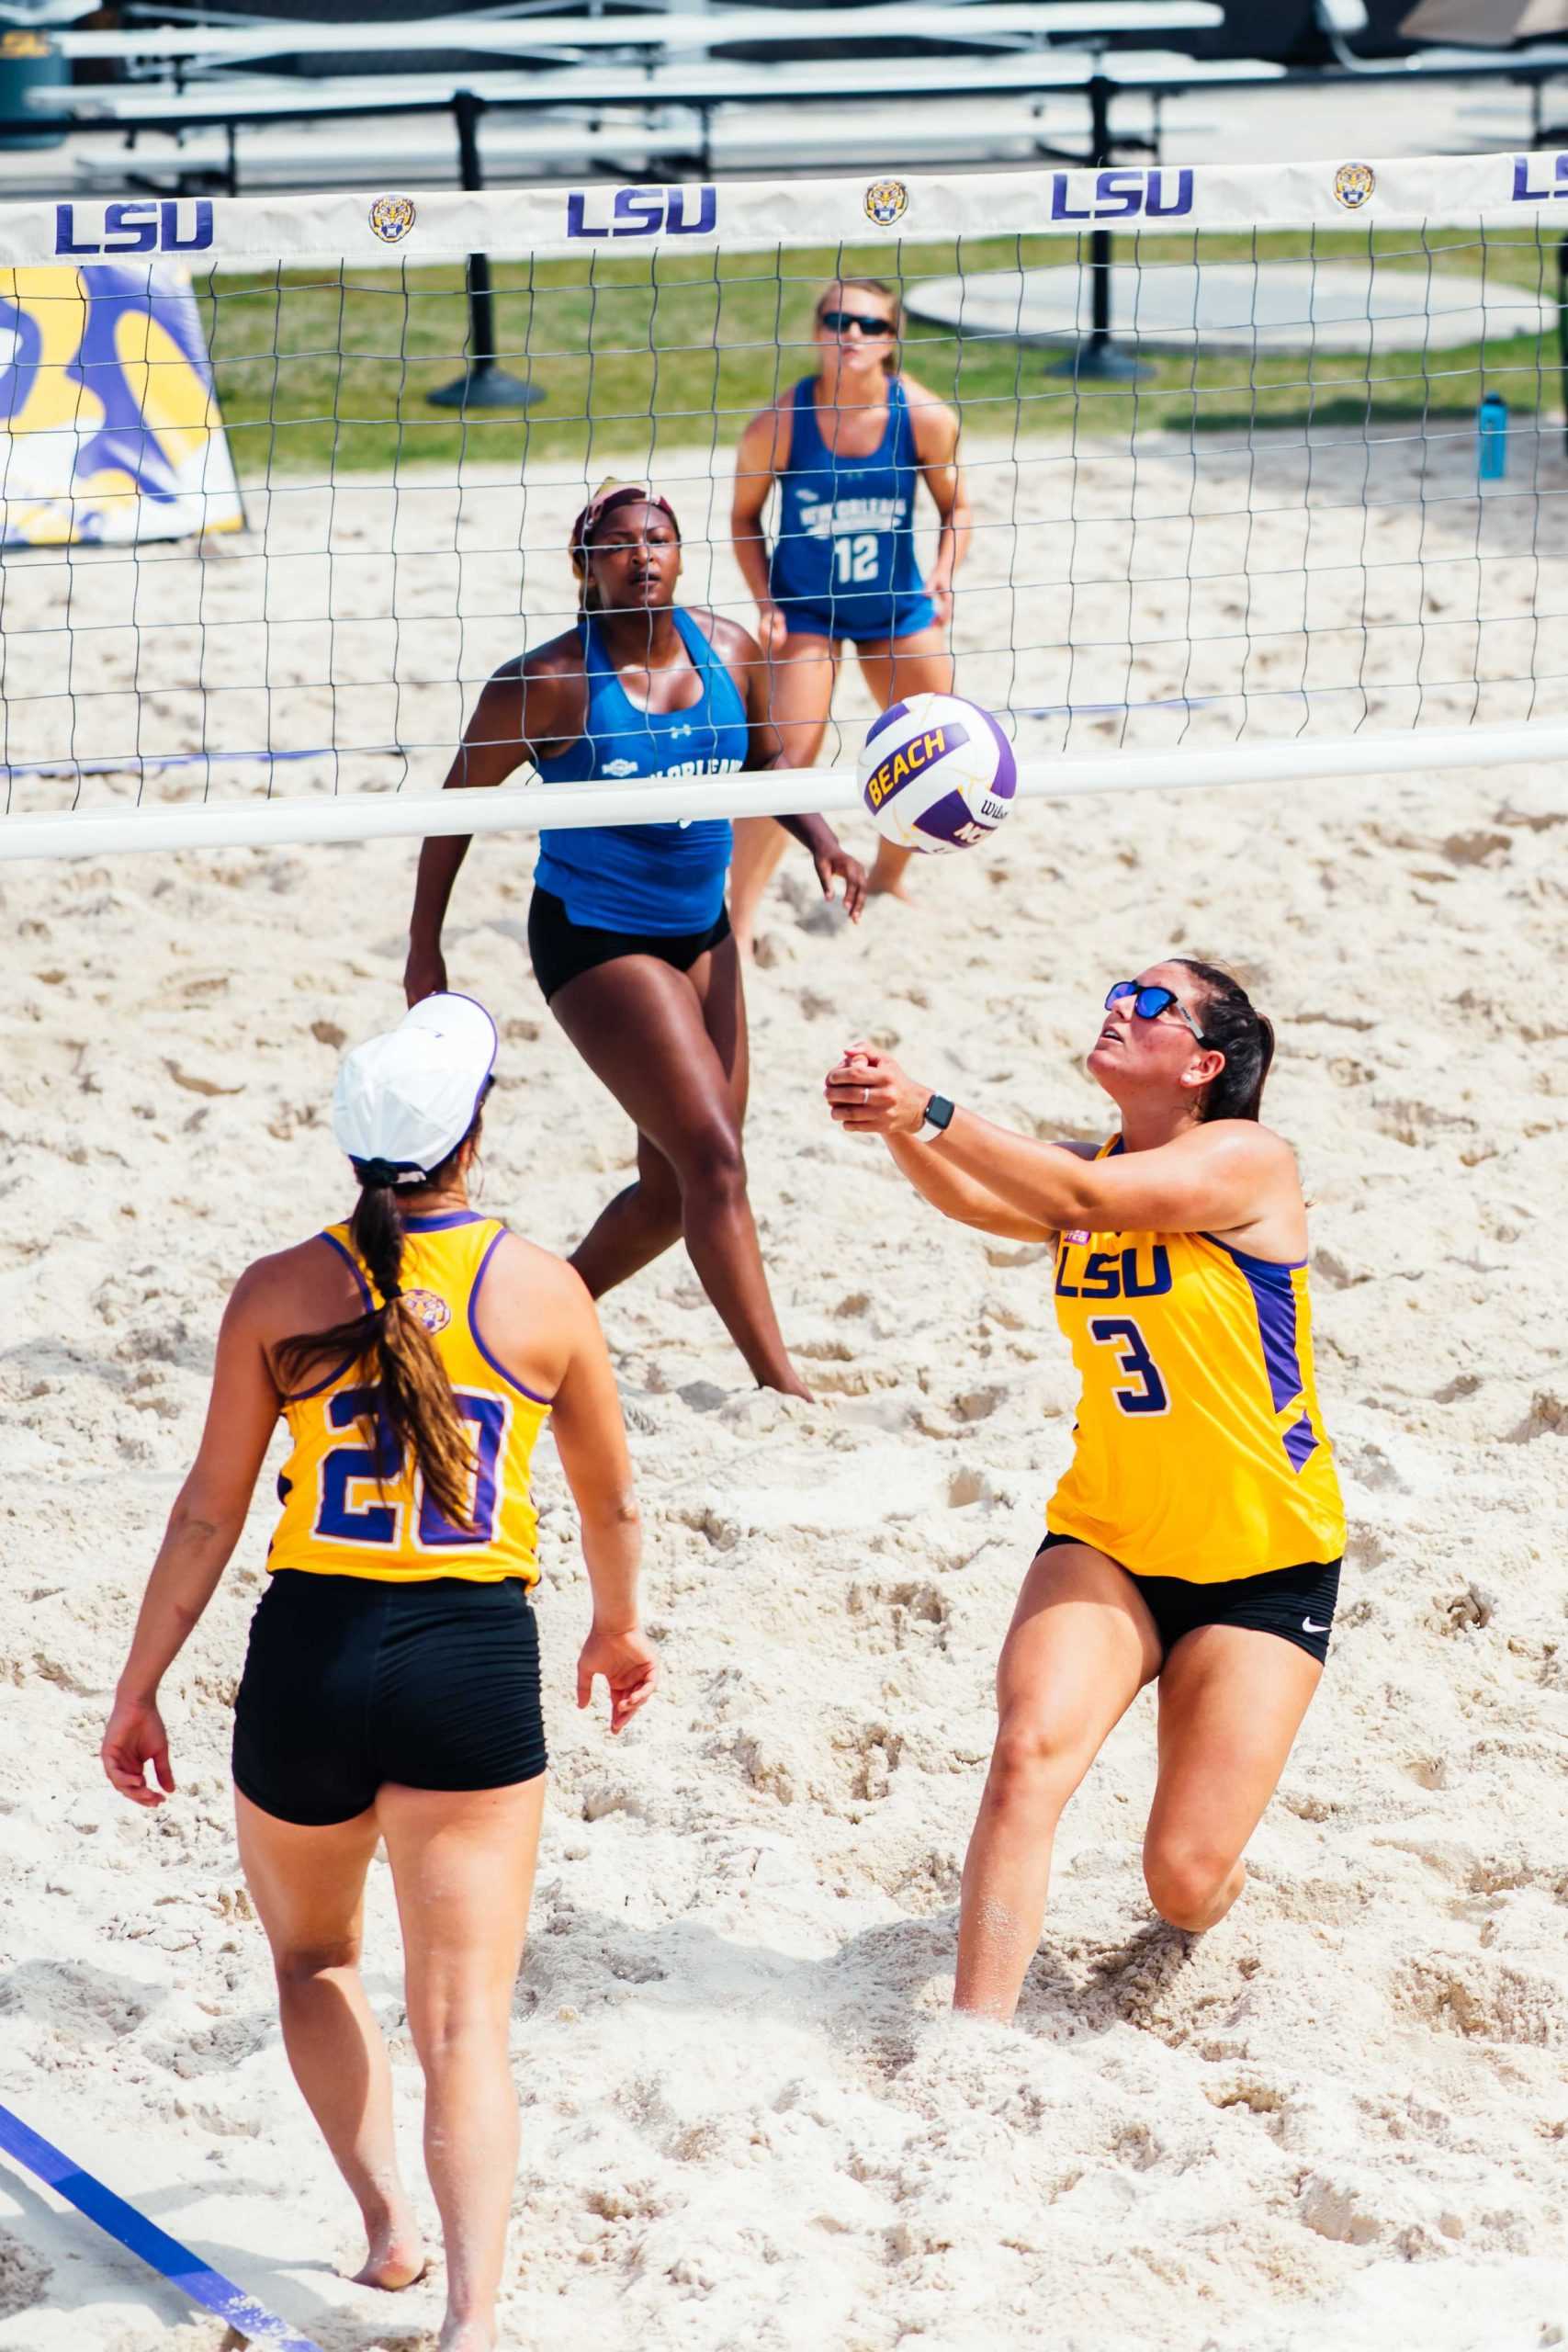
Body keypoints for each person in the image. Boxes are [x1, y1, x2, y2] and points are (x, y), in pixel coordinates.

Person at [101, 993, 656, 2352]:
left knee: (312, 1961)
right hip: (467, 1660)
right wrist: (616, 1627)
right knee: (463, 2023)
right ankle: (470, 2321)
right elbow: (608, 1501)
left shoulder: (278, 1290)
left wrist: (139, 1684)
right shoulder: (542, 1288)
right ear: (474, 1133)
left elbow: (207, 1515)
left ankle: (385, 2233)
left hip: (309, 1658)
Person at [825, 960, 1345, 2025]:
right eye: (1121, 987)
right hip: (1106, 1536)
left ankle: (1220, 1889)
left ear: (1203, 1065)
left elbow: (1077, 1199)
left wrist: (932, 1106)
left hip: (1263, 1560)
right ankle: (976, 2042)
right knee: (1025, 1757)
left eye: (1154, 1003)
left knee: (1183, 1879)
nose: (1122, 1006)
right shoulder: (1097, 1161)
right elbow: (989, 1193)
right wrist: (895, 1125)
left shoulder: (1247, 1161)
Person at [405, 481, 864, 1400]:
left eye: (657, 538)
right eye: (617, 544)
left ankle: (532, 1311)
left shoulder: (729, 648)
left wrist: (823, 841)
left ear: (682, 555)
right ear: (585, 566)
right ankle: (783, 1388)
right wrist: (426, 950)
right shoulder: (548, 683)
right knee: (716, 1163)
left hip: (702, 930)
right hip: (596, 938)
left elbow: (766, 758)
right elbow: (451, 810)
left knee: (671, 1190)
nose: (641, 555)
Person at [728, 276, 972, 948]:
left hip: (894, 606)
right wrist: (765, 602)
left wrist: (945, 576)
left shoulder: (922, 417)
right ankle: (740, 919)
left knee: (938, 748)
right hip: (805, 609)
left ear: (891, 340)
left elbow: (956, 506)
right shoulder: (779, 424)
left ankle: (891, 876)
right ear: (817, 331)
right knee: (784, 760)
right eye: (838, 321)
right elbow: (744, 518)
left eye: (870, 325)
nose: (852, 336)